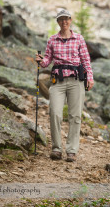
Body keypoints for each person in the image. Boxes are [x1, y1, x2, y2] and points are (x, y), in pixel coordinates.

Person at [35, 9, 94, 162]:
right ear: (58, 22)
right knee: (55, 113)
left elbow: (86, 60)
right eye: (61, 19)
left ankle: (71, 151)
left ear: (70, 20)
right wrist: (41, 61)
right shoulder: (52, 40)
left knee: (75, 116)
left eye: (66, 19)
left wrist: (90, 78)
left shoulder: (79, 39)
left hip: (76, 81)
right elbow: (47, 60)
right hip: (58, 82)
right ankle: (56, 148)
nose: (64, 22)